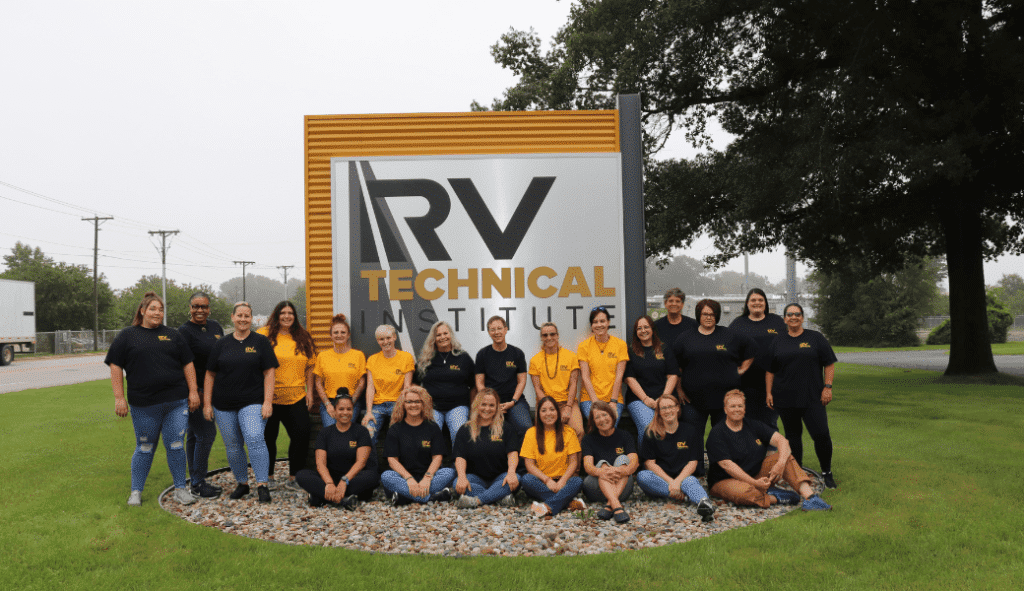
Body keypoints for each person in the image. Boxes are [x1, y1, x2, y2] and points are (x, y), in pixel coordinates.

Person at [106, 291, 200, 507]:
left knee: (176, 445)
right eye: (153, 309)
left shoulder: (174, 335)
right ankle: (136, 492)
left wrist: (193, 391)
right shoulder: (128, 335)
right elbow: (115, 365)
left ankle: (180, 489)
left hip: (176, 403)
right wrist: (119, 397)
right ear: (142, 311)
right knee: (145, 447)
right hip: (144, 406)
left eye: (160, 309)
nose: (157, 313)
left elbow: (188, 364)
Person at [203, 301, 278, 503]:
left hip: (252, 401)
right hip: (223, 405)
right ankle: (242, 483)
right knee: (233, 445)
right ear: (232, 317)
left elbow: (269, 372)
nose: (243, 319)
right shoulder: (221, 344)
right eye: (239, 316)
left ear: (251, 319)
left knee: (254, 438)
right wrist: (207, 404)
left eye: (247, 316)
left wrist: (268, 402)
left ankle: (262, 484)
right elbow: (210, 374)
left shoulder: (261, 342)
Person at [706, 390, 830, 510]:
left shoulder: (753, 425)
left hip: (756, 474)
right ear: (725, 409)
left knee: (785, 457)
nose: (737, 409)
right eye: (732, 406)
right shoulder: (717, 433)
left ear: (744, 408)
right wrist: (754, 483)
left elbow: (782, 441)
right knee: (742, 493)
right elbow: (728, 466)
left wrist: (780, 464)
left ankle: (811, 498)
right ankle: (776, 497)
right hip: (725, 480)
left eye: (740, 406)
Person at [673, 298, 756, 475]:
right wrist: (679, 390)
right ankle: (696, 471)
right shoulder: (685, 338)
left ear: (717, 316)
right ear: (698, 315)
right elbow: (676, 367)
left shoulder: (730, 335)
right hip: (693, 400)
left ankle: (721, 471)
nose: (709, 317)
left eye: (712, 314)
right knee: (694, 437)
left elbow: (752, 348)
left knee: (722, 437)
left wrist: (741, 370)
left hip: (724, 402)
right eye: (705, 314)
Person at [767, 303, 840, 489]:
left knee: (821, 434)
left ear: (802, 317)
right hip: (785, 398)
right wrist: (768, 392)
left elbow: (829, 363)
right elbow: (770, 370)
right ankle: (797, 473)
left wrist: (828, 387)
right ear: (784, 318)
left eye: (797, 314)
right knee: (793, 437)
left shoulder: (815, 338)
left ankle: (826, 473)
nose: (793, 317)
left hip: (813, 398)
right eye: (790, 314)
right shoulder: (778, 341)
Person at [257, 301, 316, 491]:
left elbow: (311, 367)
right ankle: (268, 476)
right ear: (276, 315)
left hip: (296, 396)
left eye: (290, 313)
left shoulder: (303, 336)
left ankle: (294, 477)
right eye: (283, 313)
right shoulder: (263, 335)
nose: (287, 316)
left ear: (295, 316)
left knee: (301, 434)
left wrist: (310, 392)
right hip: (269, 398)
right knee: (268, 438)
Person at [636, 394, 716, 523]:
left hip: (683, 477)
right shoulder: (651, 432)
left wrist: (678, 481)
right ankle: (684, 497)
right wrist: (671, 482)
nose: (668, 411)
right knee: (642, 477)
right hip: (660, 479)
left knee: (690, 480)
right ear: (659, 412)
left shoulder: (690, 430)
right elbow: (650, 464)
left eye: (671, 407)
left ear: (678, 408)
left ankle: (705, 505)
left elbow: (693, 462)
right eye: (664, 408)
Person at [177, 291, 224, 498]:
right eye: (195, 306)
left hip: (214, 389)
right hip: (196, 391)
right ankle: (197, 482)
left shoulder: (215, 327)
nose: (200, 310)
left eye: (203, 306)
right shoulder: (184, 332)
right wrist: (194, 392)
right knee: (206, 434)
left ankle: (195, 480)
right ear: (190, 308)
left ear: (209, 308)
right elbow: (183, 364)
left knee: (195, 435)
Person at [294, 395, 379, 509]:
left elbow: (361, 463)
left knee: (373, 476)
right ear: (334, 410)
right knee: (301, 475)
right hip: (330, 479)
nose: (345, 412)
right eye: (341, 409)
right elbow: (320, 464)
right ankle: (344, 500)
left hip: (353, 479)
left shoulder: (361, 431)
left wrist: (345, 481)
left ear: (353, 411)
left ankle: (322, 497)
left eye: (349, 409)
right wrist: (329, 483)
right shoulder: (325, 433)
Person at [380, 386, 456, 505]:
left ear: (423, 403)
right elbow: (392, 460)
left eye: (417, 401)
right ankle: (430, 498)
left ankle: (405, 497)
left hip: (427, 479)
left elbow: (438, 457)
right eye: (409, 402)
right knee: (386, 476)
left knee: (449, 472)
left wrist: (427, 478)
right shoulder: (395, 429)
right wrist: (409, 479)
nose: (413, 405)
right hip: (403, 479)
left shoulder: (432, 427)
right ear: (403, 404)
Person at [729, 288, 787, 428]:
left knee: (769, 422)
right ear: (747, 304)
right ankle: (750, 449)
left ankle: (770, 449)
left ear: (765, 303)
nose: (757, 303)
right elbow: (729, 351)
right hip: (745, 383)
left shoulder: (776, 321)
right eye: (753, 300)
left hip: (773, 383)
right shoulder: (738, 324)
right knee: (746, 422)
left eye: (760, 300)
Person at [452, 388, 520, 508]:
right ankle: (500, 497)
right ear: (476, 405)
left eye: (491, 405)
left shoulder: (506, 428)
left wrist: (511, 473)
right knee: (456, 483)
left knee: (517, 478)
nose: (487, 409)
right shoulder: (465, 430)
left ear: (497, 407)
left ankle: (477, 500)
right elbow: (460, 457)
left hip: (501, 478)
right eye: (483, 404)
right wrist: (462, 477)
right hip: (475, 478)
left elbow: (512, 454)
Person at [519, 396, 585, 517]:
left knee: (577, 481)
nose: (548, 413)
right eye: (543, 410)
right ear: (538, 414)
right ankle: (569, 503)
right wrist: (547, 480)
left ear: (557, 412)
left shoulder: (568, 432)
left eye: (552, 409)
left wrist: (562, 481)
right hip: (542, 481)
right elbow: (529, 465)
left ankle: (546, 507)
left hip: (563, 480)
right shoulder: (531, 433)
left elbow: (573, 463)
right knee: (526, 480)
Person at [624, 315, 679, 447]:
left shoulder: (664, 349)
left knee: (668, 425)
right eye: (639, 328)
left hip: (664, 396)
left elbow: (673, 375)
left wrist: (663, 398)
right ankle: (647, 462)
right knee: (648, 426)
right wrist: (645, 399)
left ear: (652, 329)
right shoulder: (631, 351)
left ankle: (666, 462)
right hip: (639, 399)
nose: (643, 330)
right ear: (636, 332)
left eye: (646, 327)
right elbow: (629, 379)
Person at [418, 320, 475, 447]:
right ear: (433, 338)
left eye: (445, 333)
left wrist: (472, 410)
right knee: (430, 435)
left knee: (458, 431)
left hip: (458, 407)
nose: (442, 337)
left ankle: (458, 466)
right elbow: (415, 385)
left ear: (451, 335)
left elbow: (474, 386)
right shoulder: (426, 359)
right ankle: (436, 466)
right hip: (432, 408)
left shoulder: (463, 357)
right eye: (438, 335)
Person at [580, 402, 639, 523]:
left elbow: (634, 463)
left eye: (605, 415)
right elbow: (588, 466)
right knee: (603, 463)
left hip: (623, 488)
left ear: (612, 416)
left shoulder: (625, 435)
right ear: (593, 422)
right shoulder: (588, 439)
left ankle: (611, 505)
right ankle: (616, 505)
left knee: (622, 459)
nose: (602, 419)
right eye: (597, 417)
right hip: (596, 490)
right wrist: (602, 471)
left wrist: (621, 470)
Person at [475, 316, 530, 436]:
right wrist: (490, 403)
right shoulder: (482, 354)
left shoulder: (517, 353)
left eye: (499, 328)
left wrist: (513, 401)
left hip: (515, 401)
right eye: (493, 329)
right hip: (490, 403)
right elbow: (479, 383)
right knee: (490, 433)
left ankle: (521, 455)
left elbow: (522, 381)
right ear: (489, 332)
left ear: (506, 329)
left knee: (526, 427)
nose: (496, 332)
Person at [528, 322, 583, 439]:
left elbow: (573, 384)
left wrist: (568, 407)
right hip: (545, 403)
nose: (549, 338)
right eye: (545, 335)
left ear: (557, 336)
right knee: (543, 436)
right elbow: (537, 388)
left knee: (578, 431)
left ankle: (572, 458)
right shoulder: (535, 360)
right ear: (541, 338)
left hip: (567, 403)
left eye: (552, 334)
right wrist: (549, 408)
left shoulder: (571, 356)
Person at [361, 324, 415, 444]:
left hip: (398, 403)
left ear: (394, 337)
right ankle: (372, 464)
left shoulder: (406, 358)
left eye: (388, 337)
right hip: (377, 406)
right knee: (367, 434)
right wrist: (369, 412)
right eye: (381, 339)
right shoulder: (372, 360)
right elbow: (370, 387)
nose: (385, 342)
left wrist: (400, 410)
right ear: (377, 341)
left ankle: (395, 463)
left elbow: (407, 388)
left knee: (399, 437)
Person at [577, 306, 629, 424]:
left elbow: (619, 376)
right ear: (591, 325)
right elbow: (585, 377)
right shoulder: (583, 346)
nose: (599, 325)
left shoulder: (620, 345)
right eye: (595, 322)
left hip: (614, 399)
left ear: (608, 322)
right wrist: (596, 403)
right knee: (598, 425)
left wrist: (613, 401)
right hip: (590, 399)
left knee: (609, 425)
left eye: (602, 321)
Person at [313, 313, 366, 427]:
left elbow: (361, 383)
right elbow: (318, 383)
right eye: (335, 332)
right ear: (331, 335)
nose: (339, 335)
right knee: (332, 430)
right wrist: (327, 404)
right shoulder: (322, 356)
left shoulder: (358, 355)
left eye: (343, 332)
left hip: (351, 401)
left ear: (348, 335)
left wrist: (350, 403)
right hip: (330, 402)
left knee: (345, 429)